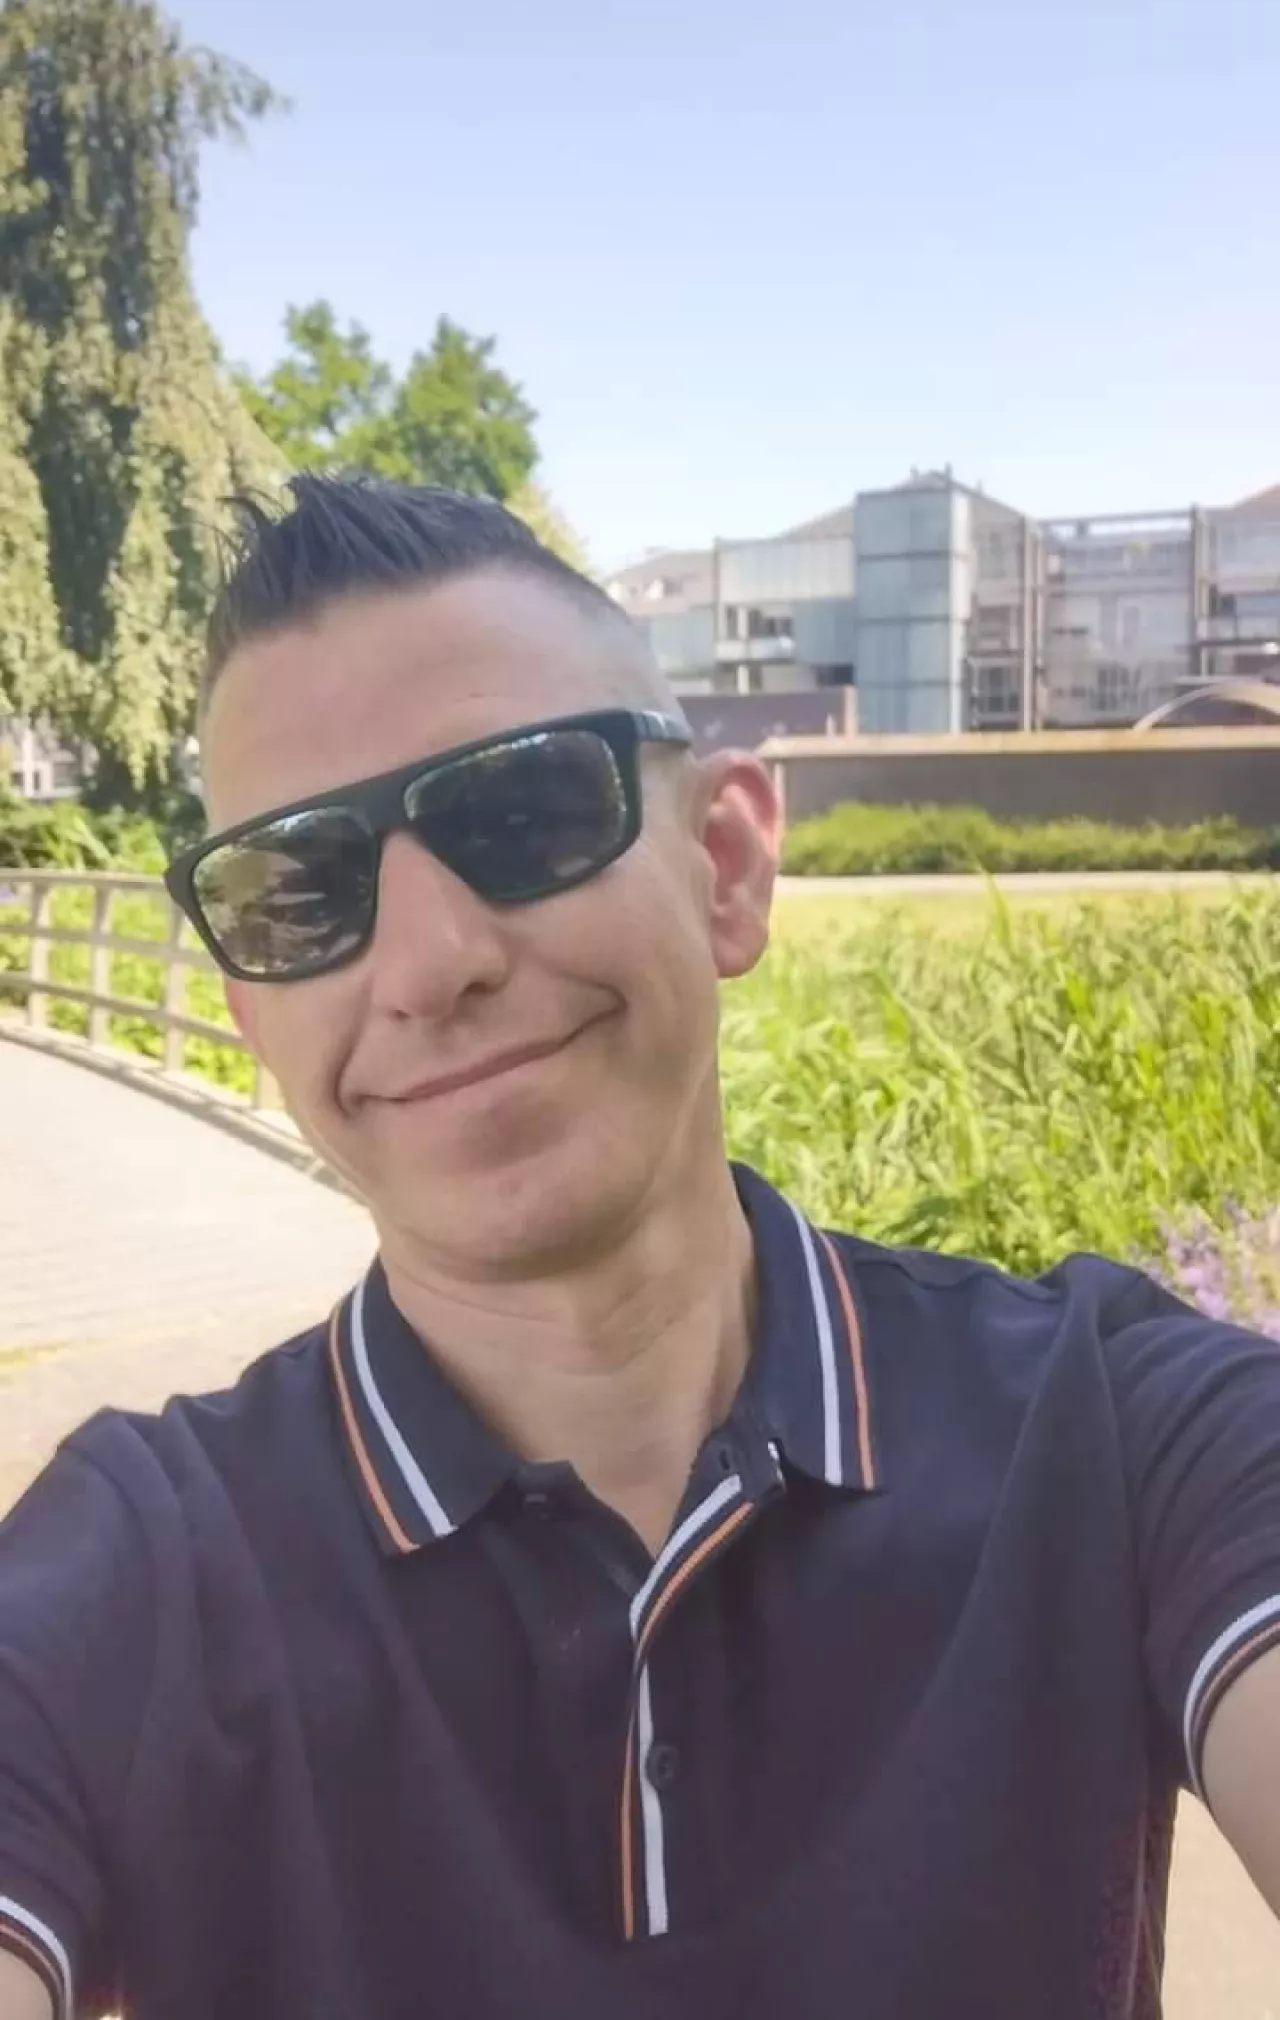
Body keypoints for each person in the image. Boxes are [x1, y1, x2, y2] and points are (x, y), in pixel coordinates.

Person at [0, 475, 1277, 2020]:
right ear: (250, 1012)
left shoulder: (1120, 1434)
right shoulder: (136, 1580)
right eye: (298, 895)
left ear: (725, 865)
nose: (430, 964)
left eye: (523, 815)